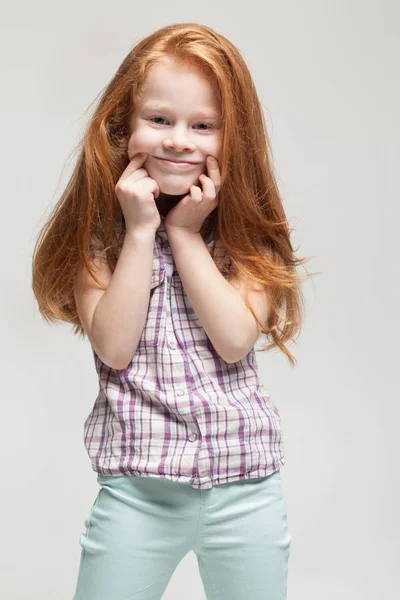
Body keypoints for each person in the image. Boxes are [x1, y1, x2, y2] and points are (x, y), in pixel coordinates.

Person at [32, 22, 312, 600]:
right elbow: (113, 346)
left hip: (245, 486)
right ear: (123, 125)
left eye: (202, 125)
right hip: (138, 490)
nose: (179, 140)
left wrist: (185, 236)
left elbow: (235, 340)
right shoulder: (101, 238)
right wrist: (141, 232)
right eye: (159, 120)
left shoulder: (243, 237)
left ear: (233, 139)